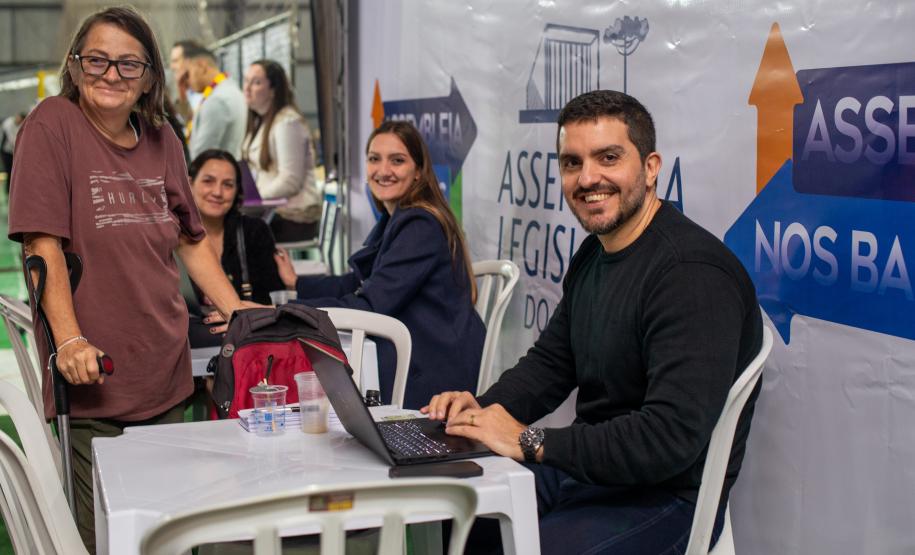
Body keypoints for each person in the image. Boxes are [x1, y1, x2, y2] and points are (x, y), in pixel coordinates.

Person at [422, 90, 764, 555]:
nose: (587, 178)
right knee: (459, 514)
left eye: (608, 158)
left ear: (650, 167)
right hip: (589, 476)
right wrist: (479, 414)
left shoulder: (691, 274)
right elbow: (550, 365)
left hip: (665, 496)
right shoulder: (595, 253)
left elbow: (669, 439)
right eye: (572, 163)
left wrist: (528, 440)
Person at [6, 7, 254, 551]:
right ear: (75, 67)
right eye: (97, 60)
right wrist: (69, 340)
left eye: (128, 64)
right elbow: (42, 243)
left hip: (164, 370)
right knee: (108, 539)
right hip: (93, 379)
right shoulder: (51, 125)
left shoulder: (162, 139)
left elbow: (191, 239)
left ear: (148, 78)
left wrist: (239, 310)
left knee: (165, 532)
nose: (111, 74)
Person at [274, 120, 485, 409]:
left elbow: (371, 304)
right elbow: (357, 283)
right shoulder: (399, 218)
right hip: (420, 351)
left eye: (397, 160)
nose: (383, 170)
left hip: (432, 368)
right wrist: (296, 285)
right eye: (374, 159)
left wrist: (283, 313)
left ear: (419, 171)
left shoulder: (419, 225)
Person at [185, 149, 284, 347]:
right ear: (189, 183)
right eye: (208, 181)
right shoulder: (172, 233)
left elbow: (271, 300)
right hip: (189, 334)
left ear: (237, 190)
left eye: (228, 185)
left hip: (248, 335)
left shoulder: (254, 231)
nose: (217, 192)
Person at [242, 59, 321, 242]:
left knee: (233, 237)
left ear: (273, 89)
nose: (247, 88)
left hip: (294, 218)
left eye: (256, 82)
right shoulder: (260, 122)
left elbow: (290, 181)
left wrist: (255, 199)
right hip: (273, 213)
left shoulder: (287, 123)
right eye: (246, 81)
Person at [181, 42, 247, 159]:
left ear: (201, 66)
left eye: (187, 74)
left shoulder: (216, 101)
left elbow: (202, 157)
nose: (186, 81)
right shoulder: (230, 90)